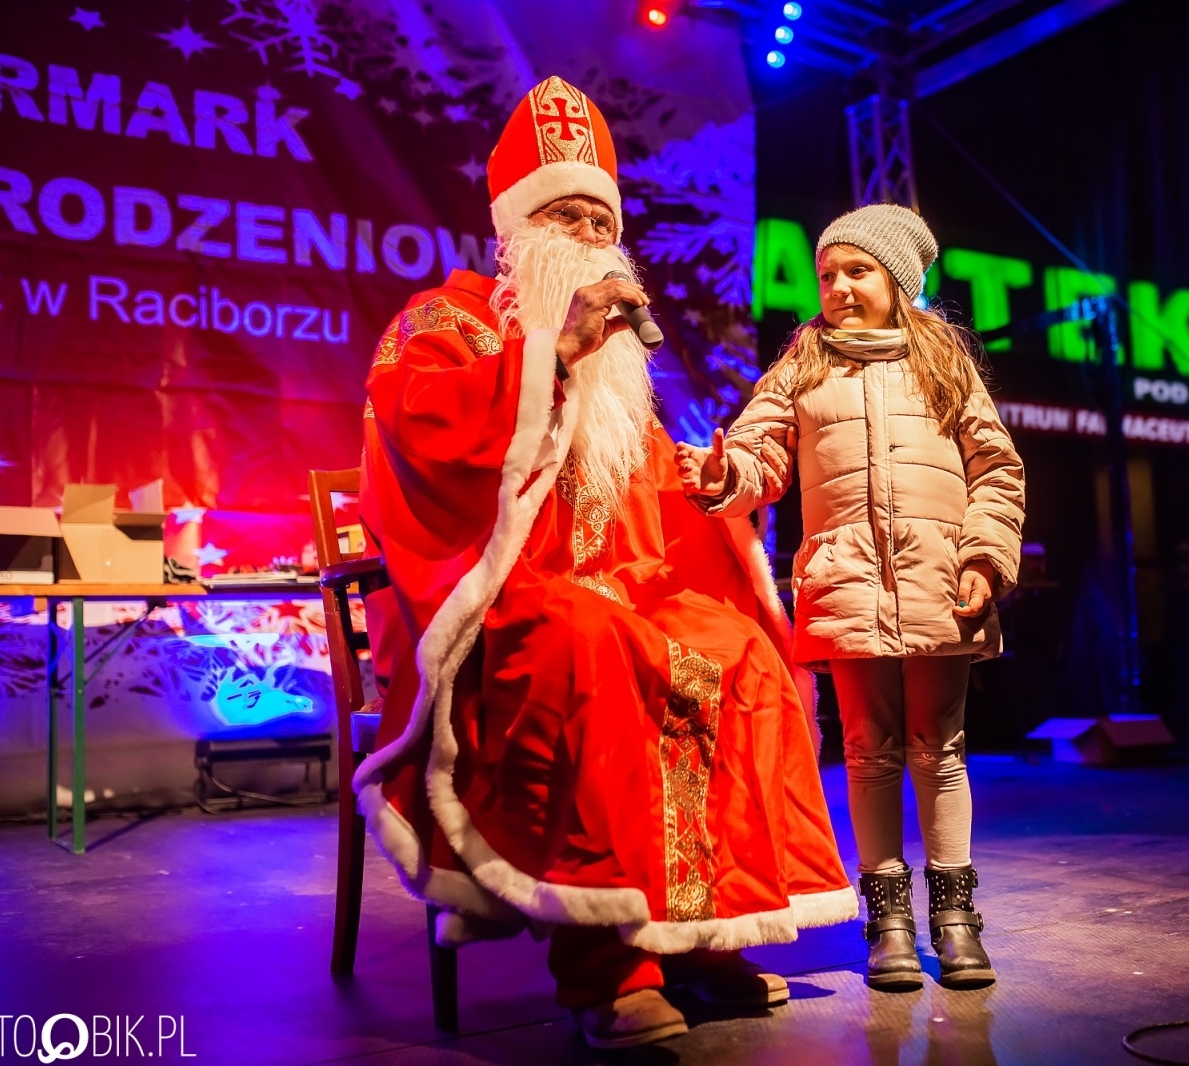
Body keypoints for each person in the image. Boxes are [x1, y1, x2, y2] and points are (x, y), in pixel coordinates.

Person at [353, 76, 857, 1050]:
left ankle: (700, 934)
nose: (589, 235)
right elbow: (418, 422)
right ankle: (606, 967)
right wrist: (550, 354)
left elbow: (650, 488)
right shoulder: (445, 323)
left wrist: (706, 480)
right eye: (566, 216)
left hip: (624, 592)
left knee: (739, 652)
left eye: (602, 220)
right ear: (517, 228)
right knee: (588, 643)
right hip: (502, 596)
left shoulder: (623, 369)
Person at [675, 204, 1026, 992]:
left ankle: (956, 918)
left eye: (856, 271)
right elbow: (760, 454)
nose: (836, 286)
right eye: (826, 274)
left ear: (898, 280)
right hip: (847, 582)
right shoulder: (803, 364)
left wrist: (983, 555)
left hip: (940, 579)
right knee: (869, 748)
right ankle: (889, 922)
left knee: (940, 747)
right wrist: (726, 475)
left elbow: (996, 470)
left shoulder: (943, 362)